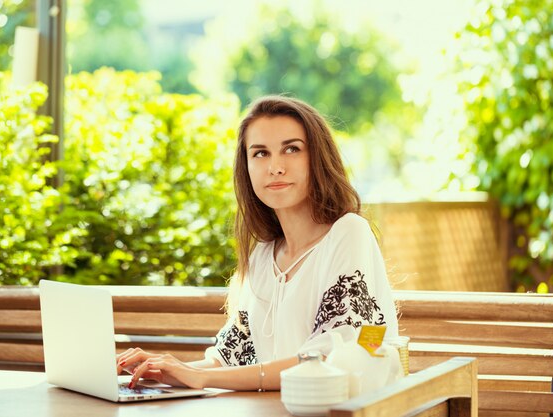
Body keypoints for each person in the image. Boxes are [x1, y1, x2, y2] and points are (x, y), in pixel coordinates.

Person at [117, 95, 399, 391]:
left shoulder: (348, 233)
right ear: (247, 166)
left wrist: (200, 377)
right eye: (260, 153)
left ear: (318, 157)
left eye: (291, 149)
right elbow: (228, 360)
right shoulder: (264, 256)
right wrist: (163, 368)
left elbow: (332, 358)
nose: (275, 167)